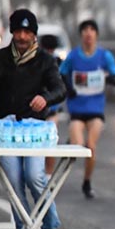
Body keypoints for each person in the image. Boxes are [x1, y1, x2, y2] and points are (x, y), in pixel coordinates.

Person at [0, 9, 67, 229]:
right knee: (13, 182)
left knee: (35, 177)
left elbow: (60, 89)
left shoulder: (46, 61)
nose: (22, 37)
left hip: (34, 130)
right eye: (18, 31)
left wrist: (45, 98)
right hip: (6, 130)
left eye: (27, 32)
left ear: (34, 35)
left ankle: (52, 228)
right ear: (12, 32)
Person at [60, 19, 115, 199]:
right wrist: (69, 88)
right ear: (81, 35)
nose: (88, 33)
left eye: (92, 30)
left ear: (96, 34)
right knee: (77, 146)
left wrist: (109, 79)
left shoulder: (104, 56)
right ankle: (59, 172)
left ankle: (87, 182)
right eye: (85, 30)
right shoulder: (73, 56)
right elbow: (62, 73)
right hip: (77, 110)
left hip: (95, 110)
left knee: (91, 147)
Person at [39, 33, 64, 175]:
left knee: (50, 143)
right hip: (36, 110)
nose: (49, 52)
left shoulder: (58, 64)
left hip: (52, 111)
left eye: (51, 49)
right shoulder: (36, 63)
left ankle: (48, 174)